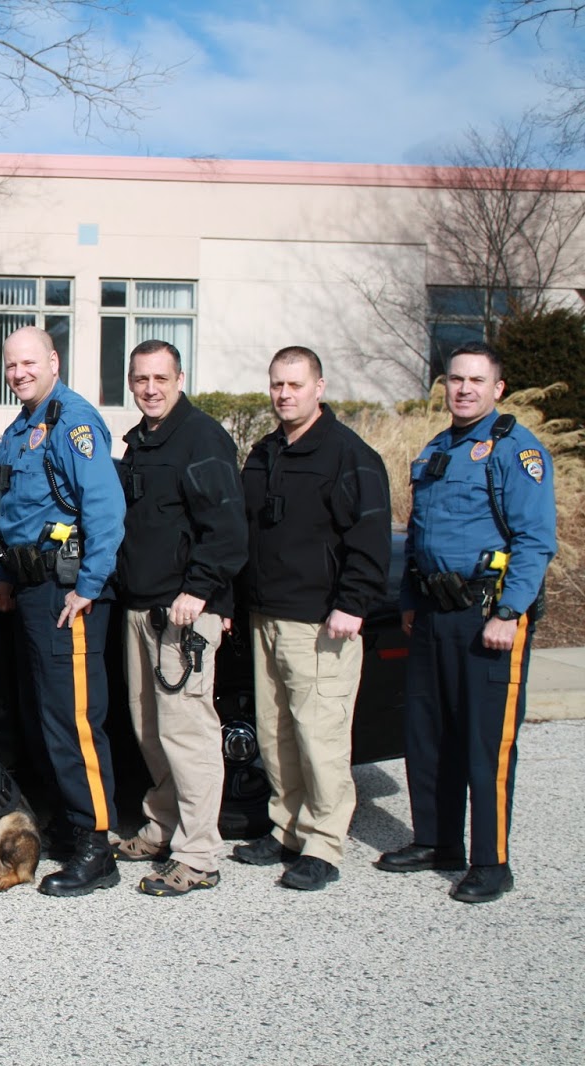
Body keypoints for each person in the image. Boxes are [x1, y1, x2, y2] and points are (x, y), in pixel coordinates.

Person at [378, 342, 556, 904]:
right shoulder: (439, 447)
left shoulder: (515, 450)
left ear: (497, 388)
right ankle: (436, 841)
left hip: (487, 617)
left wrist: (510, 611)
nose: (464, 389)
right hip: (432, 613)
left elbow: (534, 540)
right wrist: (409, 596)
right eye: (456, 379)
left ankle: (491, 860)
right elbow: (421, 532)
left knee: (485, 744)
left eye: (477, 380)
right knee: (427, 736)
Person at [236, 347, 391, 891]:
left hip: (322, 623)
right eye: (277, 384)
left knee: (320, 736)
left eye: (295, 385)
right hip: (266, 616)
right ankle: (286, 829)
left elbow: (369, 539)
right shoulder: (266, 450)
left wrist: (353, 603)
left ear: (319, 387)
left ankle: (323, 843)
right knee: (276, 734)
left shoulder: (350, 456)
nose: (284, 394)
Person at [0, 327, 126, 897]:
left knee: (74, 724)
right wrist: (5, 579)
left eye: (29, 362)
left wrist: (87, 585)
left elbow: (105, 510)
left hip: (68, 594)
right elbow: (17, 515)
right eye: (11, 364)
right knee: (44, 721)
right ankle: (72, 830)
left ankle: (98, 845)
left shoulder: (74, 421)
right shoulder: (20, 427)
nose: (19, 372)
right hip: (32, 589)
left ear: (53, 361)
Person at [114, 339, 246, 897]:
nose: (150, 389)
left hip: (183, 614)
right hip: (141, 608)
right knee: (151, 729)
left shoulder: (201, 438)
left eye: (160, 379)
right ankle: (164, 825)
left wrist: (199, 591)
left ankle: (198, 854)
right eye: (141, 379)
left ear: (180, 378)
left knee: (188, 733)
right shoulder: (141, 442)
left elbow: (229, 529)